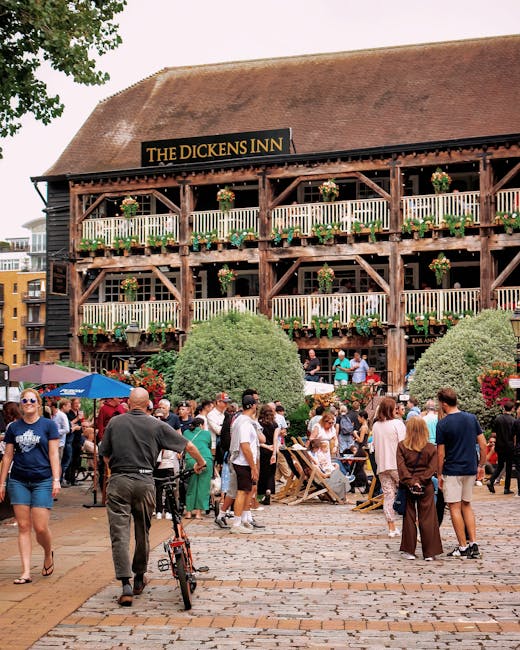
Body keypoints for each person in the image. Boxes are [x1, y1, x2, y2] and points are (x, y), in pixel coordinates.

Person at [99, 387, 206, 606]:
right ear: (148, 404)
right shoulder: (157, 425)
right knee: (142, 530)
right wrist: (201, 463)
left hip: (119, 481)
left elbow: (105, 454)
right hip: (145, 481)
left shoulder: (115, 423)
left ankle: (125, 584)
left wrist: (115, 472)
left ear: (129, 403)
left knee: (119, 534)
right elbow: (190, 446)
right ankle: (139, 577)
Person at [0, 389, 61, 584]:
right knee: (24, 526)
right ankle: (25, 571)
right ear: (20, 404)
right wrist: (2, 482)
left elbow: (53, 454)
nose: (28, 403)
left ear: (38, 403)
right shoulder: (13, 427)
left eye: (32, 400)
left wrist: (56, 479)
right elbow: (8, 455)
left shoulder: (48, 425)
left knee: (40, 527)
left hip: (42, 479)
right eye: (24, 400)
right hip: (18, 480)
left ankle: (47, 554)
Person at [436, 387, 487, 559]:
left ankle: (463, 546)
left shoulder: (443, 424)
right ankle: (474, 543)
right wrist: (481, 465)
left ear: (444, 404)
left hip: (452, 470)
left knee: (454, 507)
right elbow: (483, 445)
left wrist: (439, 474)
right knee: (467, 505)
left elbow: (441, 453)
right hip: (470, 468)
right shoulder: (471, 418)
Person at [397, 417, 443, 561]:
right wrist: (421, 481)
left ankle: (409, 550)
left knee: (409, 517)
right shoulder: (430, 448)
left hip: (407, 486)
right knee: (428, 517)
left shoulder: (402, 446)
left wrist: (411, 481)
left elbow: (401, 467)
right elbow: (432, 469)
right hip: (426, 485)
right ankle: (429, 552)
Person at [372, 397, 406, 537]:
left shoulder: (375, 425)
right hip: (396, 464)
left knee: (388, 495)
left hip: (382, 464)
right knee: (408, 493)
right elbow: (403, 444)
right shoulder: (397, 424)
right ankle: (411, 524)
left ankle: (391, 527)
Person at [228, 394, 261, 534]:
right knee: (242, 492)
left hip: (243, 461)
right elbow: (245, 446)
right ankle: (236, 523)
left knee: (247, 490)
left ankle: (243, 519)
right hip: (243, 462)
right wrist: (253, 466)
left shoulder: (240, 420)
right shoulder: (245, 423)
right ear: (253, 406)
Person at [183, 417, 213, 519]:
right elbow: (209, 446)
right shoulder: (206, 434)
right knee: (203, 486)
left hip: (191, 460)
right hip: (205, 459)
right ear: (201, 425)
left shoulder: (186, 432)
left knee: (191, 485)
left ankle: (188, 512)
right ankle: (199, 513)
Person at [487, 399, 517, 495]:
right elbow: (515, 436)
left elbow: (493, 433)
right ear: (512, 409)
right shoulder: (513, 420)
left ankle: (491, 480)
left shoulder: (498, 419)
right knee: (508, 467)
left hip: (500, 446)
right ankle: (506, 488)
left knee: (500, 465)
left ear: (504, 408)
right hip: (509, 446)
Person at [257, 404, 279, 501]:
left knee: (262, 472)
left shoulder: (258, 424)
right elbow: (275, 440)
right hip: (272, 450)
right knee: (271, 473)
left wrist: (266, 446)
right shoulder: (275, 425)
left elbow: (257, 440)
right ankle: (269, 490)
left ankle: (261, 493)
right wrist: (274, 453)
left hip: (262, 450)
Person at [207, 392, 231, 461]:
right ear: (218, 402)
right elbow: (219, 431)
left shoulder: (226, 414)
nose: (227, 404)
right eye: (225, 402)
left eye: (227, 402)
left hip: (225, 446)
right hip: (215, 447)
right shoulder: (211, 415)